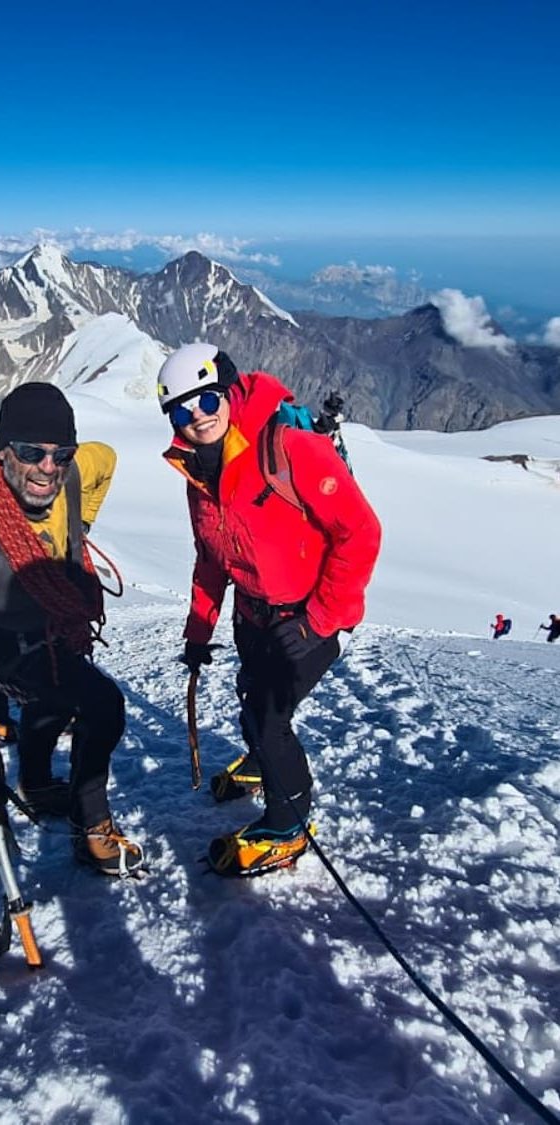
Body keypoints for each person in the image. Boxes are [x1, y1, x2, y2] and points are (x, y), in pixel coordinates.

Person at [158, 342, 381, 877]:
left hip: (309, 617)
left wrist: (321, 620)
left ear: (229, 392)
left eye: (208, 400)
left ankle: (289, 824)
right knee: (251, 696)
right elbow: (211, 559)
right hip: (254, 614)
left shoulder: (289, 449)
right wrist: (198, 631)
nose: (199, 417)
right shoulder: (198, 475)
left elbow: (361, 533)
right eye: (183, 409)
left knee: (267, 718)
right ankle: (262, 763)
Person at [0, 382, 144, 876]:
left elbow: (105, 460)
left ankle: (39, 782)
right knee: (101, 704)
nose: (48, 466)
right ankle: (92, 829)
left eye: (60, 453)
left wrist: (78, 527)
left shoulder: (69, 474)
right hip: (4, 645)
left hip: (55, 628)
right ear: (3, 452)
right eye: (31, 452)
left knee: (56, 695)